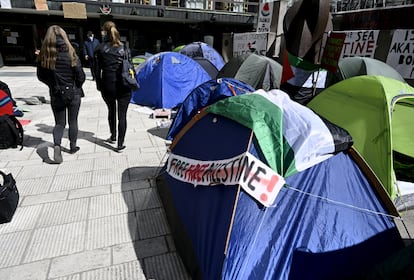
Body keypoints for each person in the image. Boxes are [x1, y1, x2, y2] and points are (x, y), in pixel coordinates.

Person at [37, 25, 86, 163]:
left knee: (59, 123)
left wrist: (52, 85)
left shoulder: (44, 55)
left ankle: (57, 145)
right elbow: (80, 75)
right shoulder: (71, 52)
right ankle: (73, 146)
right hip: (73, 91)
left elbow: (40, 76)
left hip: (56, 92)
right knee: (73, 121)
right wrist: (76, 85)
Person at [94, 21, 132, 152]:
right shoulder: (124, 48)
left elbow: (96, 71)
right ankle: (120, 143)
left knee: (111, 110)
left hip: (108, 83)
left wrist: (99, 85)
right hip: (124, 83)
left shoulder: (99, 48)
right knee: (122, 115)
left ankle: (113, 135)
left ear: (104, 31)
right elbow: (130, 67)